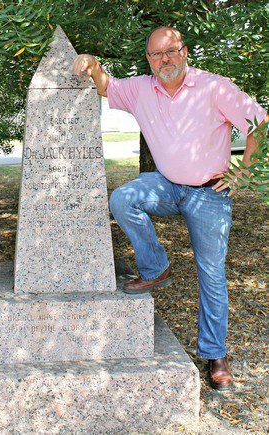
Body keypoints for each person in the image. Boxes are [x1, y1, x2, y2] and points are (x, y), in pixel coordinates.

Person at [73, 26, 267, 390]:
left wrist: (243, 172)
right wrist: (92, 64)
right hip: (166, 185)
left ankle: (215, 354)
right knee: (123, 197)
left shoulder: (214, 86)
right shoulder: (142, 89)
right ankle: (156, 267)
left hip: (210, 193)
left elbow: (260, 125)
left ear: (185, 51)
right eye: (157, 54)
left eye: (171, 51)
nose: (165, 59)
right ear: (148, 59)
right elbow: (106, 86)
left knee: (211, 274)